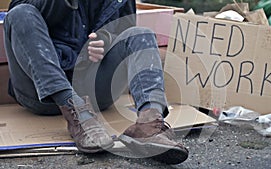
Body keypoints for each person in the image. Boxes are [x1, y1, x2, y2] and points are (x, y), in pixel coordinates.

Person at [4, 0, 188, 164]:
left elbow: (124, 29)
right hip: (42, 93)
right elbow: (17, 18)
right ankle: (77, 114)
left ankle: (150, 123)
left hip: (94, 90)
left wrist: (105, 41)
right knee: (20, 13)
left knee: (140, 34)